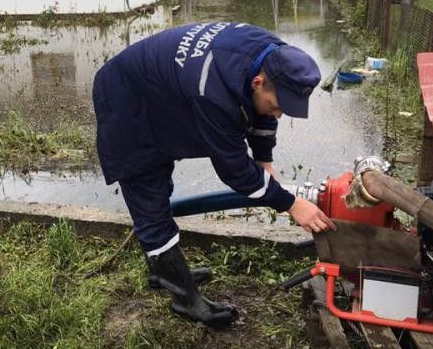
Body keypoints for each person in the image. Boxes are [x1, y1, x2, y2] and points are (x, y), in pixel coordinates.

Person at [92, 21, 335, 328]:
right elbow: (235, 170)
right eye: (277, 105)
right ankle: (185, 300)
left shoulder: (271, 56)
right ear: (258, 82)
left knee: (160, 180)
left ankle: (164, 271)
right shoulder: (213, 91)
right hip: (124, 97)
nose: (278, 114)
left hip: (157, 88)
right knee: (147, 189)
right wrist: (291, 204)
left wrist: (264, 159)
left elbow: (261, 112)